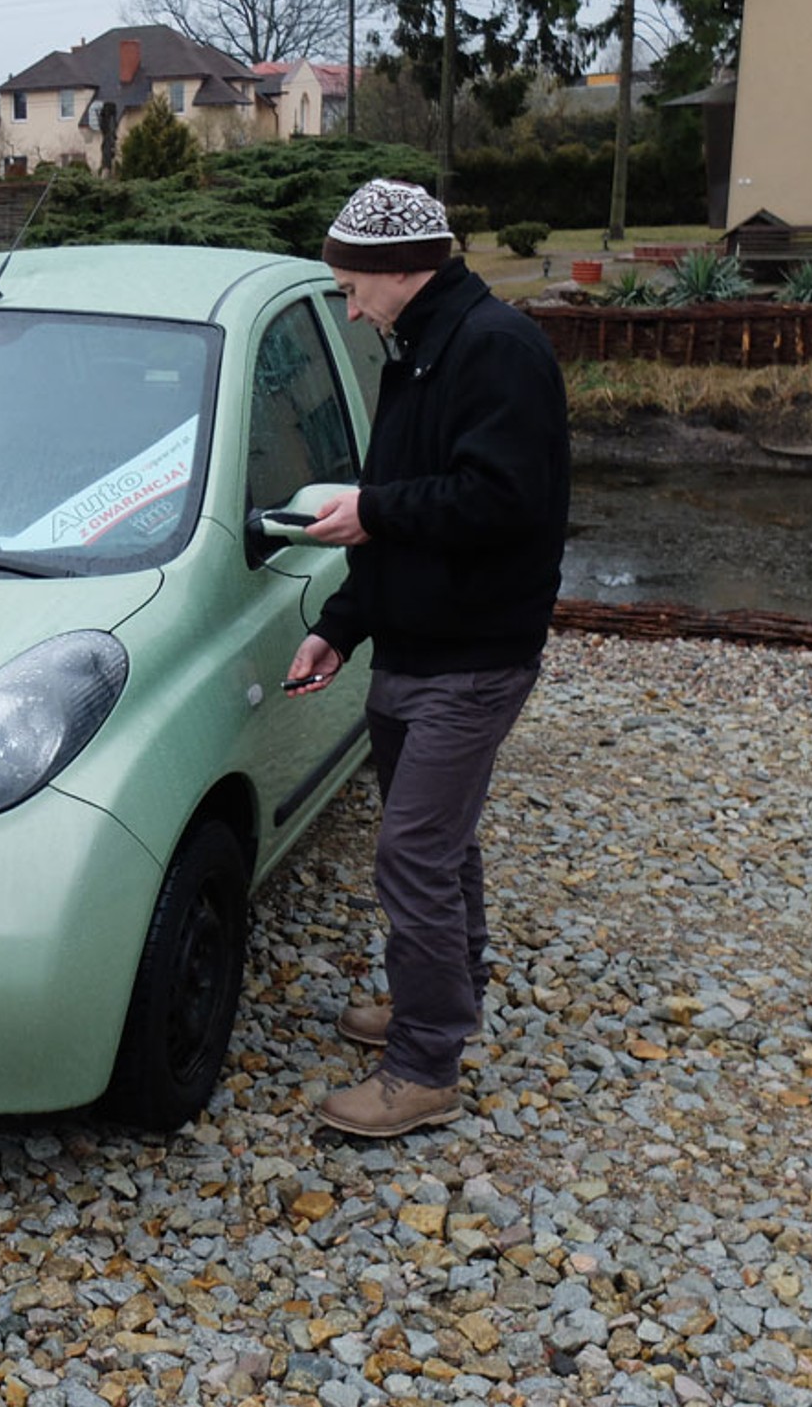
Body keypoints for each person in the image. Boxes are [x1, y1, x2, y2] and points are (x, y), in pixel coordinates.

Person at [286, 178, 570, 1139]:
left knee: (412, 850)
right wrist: (341, 624)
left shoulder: (497, 352)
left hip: (475, 652)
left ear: (401, 270)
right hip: (413, 643)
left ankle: (425, 1066)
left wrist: (373, 512)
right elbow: (392, 510)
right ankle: (444, 997)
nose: (348, 306)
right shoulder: (413, 350)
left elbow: (500, 502)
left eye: (352, 287)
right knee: (441, 843)